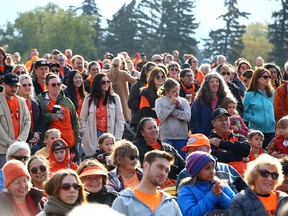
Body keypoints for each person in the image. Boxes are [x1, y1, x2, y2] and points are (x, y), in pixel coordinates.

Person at [112, 150, 182, 216]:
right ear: (146, 166)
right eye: (160, 167)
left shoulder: (171, 204)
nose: (163, 173)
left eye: (167, 170)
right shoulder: (123, 202)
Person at [176, 133, 248, 194]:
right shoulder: (185, 174)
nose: (192, 153)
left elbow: (246, 191)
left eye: (196, 149)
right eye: (189, 151)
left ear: (208, 149)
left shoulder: (226, 168)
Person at [177, 151, 235, 216]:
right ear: (196, 171)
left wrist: (221, 196)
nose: (212, 171)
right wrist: (212, 196)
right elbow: (189, 213)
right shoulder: (186, 190)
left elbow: (237, 207)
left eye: (213, 167)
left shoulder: (221, 184)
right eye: (207, 168)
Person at [80, 73, 125, 155]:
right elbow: (83, 118)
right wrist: (85, 132)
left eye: (108, 82)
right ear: (97, 84)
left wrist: (117, 138)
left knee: (109, 159)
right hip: (93, 134)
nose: (106, 84)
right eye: (103, 82)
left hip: (110, 135)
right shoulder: (89, 99)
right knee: (94, 158)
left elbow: (120, 119)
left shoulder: (114, 98)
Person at [38, 73, 79, 161]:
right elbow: (38, 119)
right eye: (53, 84)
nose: (56, 86)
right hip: (53, 146)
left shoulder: (66, 100)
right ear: (47, 86)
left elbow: (75, 120)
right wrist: (50, 117)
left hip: (69, 143)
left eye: (59, 84)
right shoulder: (41, 101)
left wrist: (76, 138)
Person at [190, 72, 235, 136]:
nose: (215, 83)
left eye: (217, 81)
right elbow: (194, 120)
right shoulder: (200, 100)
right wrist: (200, 135)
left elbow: (232, 115)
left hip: (222, 138)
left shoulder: (225, 99)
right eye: (212, 82)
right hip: (203, 138)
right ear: (207, 84)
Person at [0, 73, 31, 168]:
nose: (14, 88)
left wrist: (19, 140)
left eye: (16, 86)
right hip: (3, 149)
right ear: (4, 84)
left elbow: (27, 122)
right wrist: (9, 142)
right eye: (11, 86)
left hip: (20, 148)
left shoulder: (21, 101)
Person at [155, 78, 191, 157]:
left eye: (177, 90)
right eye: (173, 91)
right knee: (167, 159)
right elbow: (161, 117)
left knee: (181, 159)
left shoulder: (183, 101)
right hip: (166, 136)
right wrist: (171, 104)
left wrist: (173, 112)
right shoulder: (159, 101)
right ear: (167, 92)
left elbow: (187, 116)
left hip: (181, 136)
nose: (176, 93)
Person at [209, 108, 251, 176]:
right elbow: (217, 158)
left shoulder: (238, 137)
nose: (224, 123)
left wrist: (221, 143)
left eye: (226, 119)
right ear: (213, 123)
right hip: (225, 177)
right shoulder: (211, 140)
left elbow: (246, 149)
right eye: (221, 120)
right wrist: (241, 158)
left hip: (245, 175)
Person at [243, 67, 276, 148]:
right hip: (256, 132)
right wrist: (255, 119)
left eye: (269, 77)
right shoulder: (249, 94)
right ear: (257, 78)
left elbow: (275, 109)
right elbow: (244, 113)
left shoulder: (272, 92)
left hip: (271, 131)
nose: (268, 79)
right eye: (265, 77)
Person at [17, 74, 44, 153]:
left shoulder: (36, 101)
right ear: (19, 87)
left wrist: (37, 134)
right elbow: (19, 123)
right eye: (24, 85)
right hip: (22, 140)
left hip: (35, 140)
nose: (27, 87)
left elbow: (42, 119)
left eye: (29, 85)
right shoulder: (16, 102)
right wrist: (32, 135)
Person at [128, 61, 157, 130]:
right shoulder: (137, 85)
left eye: (156, 71)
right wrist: (144, 101)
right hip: (139, 120)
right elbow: (130, 104)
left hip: (155, 120)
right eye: (152, 70)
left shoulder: (157, 85)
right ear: (146, 72)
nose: (154, 73)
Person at [107, 57, 136, 121]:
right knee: (125, 118)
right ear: (120, 65)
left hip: (111, 100)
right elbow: (133, 80)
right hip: (123, 100)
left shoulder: (107, 74)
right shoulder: (123, 73)